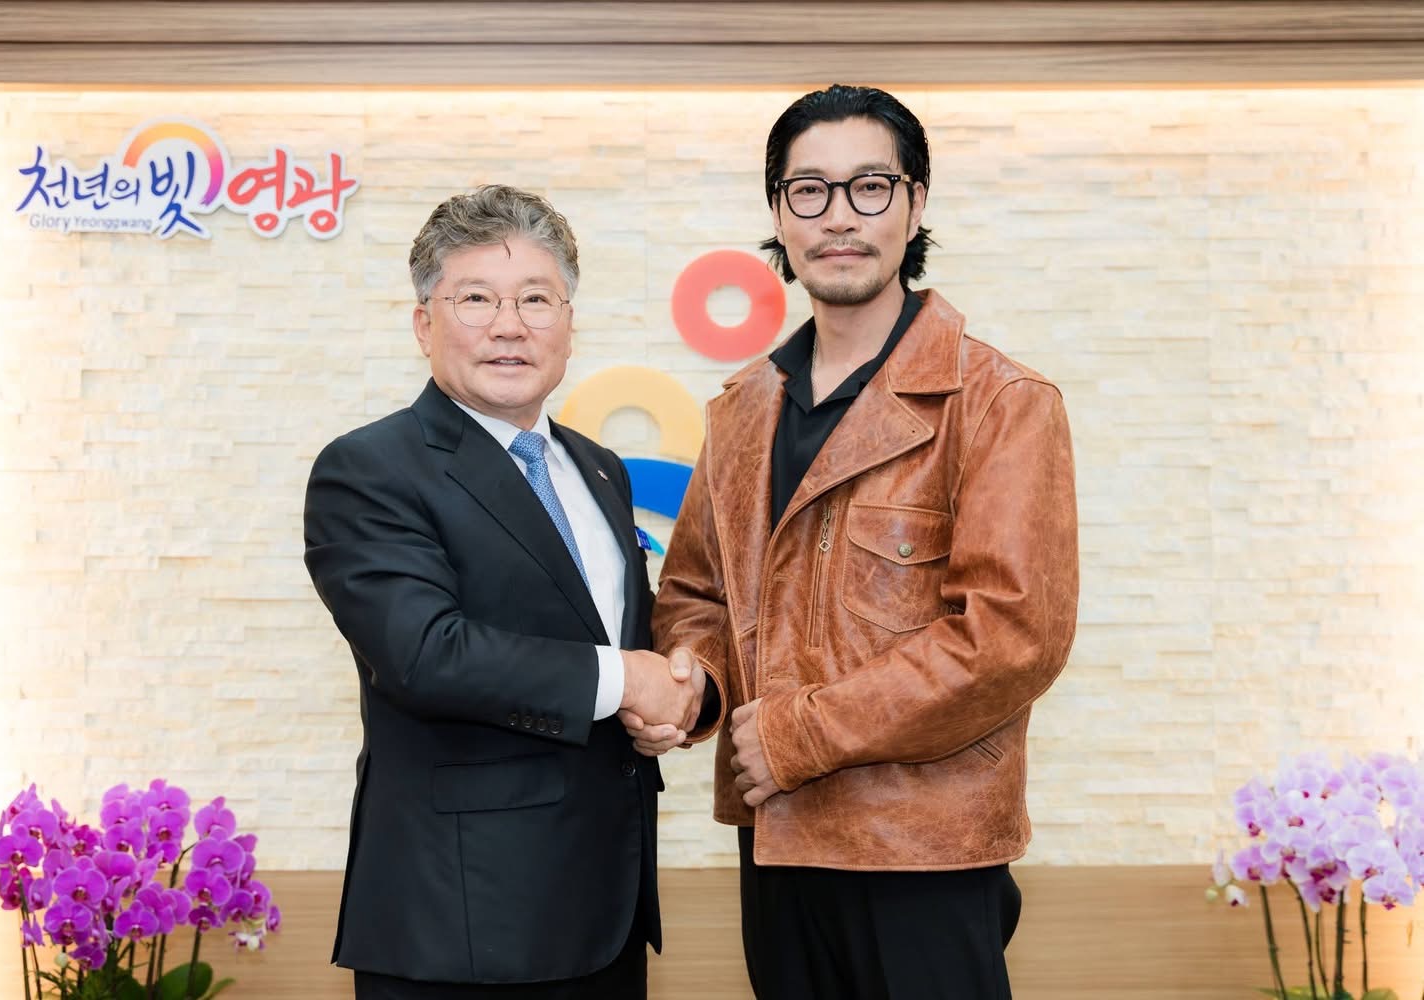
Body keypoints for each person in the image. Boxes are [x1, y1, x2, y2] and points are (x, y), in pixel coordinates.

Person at [642, 84, 1080, 998]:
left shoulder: (999, 402)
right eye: (809, 190)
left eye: (869, 187)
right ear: (778, 214)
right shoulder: (741, 409)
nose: (838, 217)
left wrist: (799, 733)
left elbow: (1010, 638)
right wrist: (697, 681)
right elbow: (696, 595)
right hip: (774, 842)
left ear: (915, 205)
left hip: (924, 849)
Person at [304, 184, 703, 1000]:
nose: (509, 326)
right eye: (476, 299)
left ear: (569, 324)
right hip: (461, 924)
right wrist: (627, 680)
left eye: (536, 299)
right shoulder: (370, 469)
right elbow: (424, 654)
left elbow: (626, 637)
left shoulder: (599, 468)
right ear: (424, 324)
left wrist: (685, 691)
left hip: (607, 912)